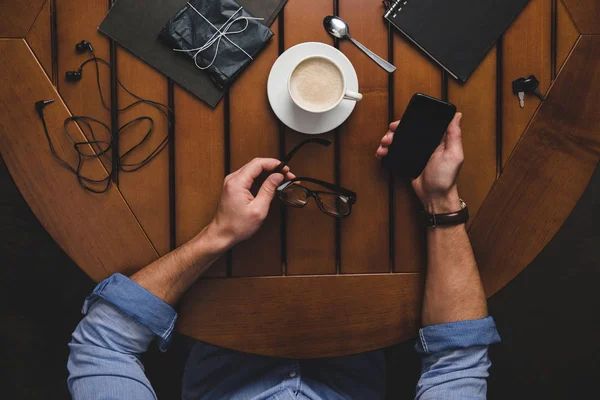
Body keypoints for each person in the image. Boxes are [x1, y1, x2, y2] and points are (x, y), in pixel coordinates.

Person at [67, 112, 500, 399]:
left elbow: (104, 346)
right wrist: (441, 201)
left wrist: (219, 235)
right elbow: (456, 362)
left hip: (219, 308)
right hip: (363, 318)